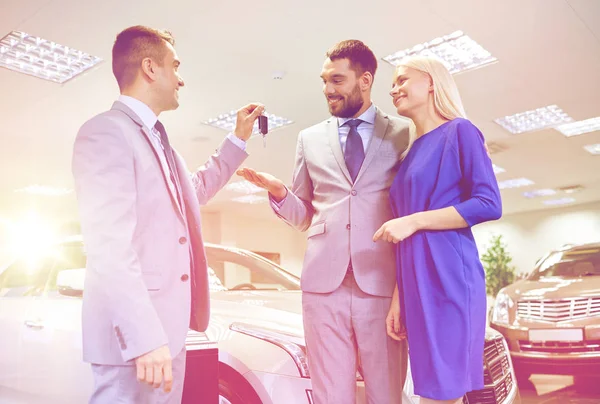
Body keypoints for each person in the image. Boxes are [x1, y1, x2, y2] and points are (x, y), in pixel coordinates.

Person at [71, 25, 263, 403]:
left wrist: (238, 139)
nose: (181, 78)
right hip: (137, 340)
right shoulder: (106, 133)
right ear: (150, 68)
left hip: (167, 332)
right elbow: (108, 246)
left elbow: (196, 191)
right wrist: (144, 335)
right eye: (174, 65)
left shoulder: (163, 146)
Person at [237, 40, 409, 404]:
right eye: (324, 80)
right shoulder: (309, 138)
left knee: (387, 393)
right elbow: (303, 216)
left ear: (365, 80)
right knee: (330, 395)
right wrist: (281, 193)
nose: (328, 90)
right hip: (322, 288)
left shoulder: (402, 133)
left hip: (381, 283)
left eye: (337, 80)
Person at [373, 55, 502, 404]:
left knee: (443, 392)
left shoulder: (461, 131)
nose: (393, 88)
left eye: (402, 80)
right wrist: (399, 299)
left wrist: (414, 221)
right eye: (394, 83)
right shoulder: (411, 153)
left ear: (431, 82)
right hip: (416, 282)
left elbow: (489, 203)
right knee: (431, 390)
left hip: (450, 278)